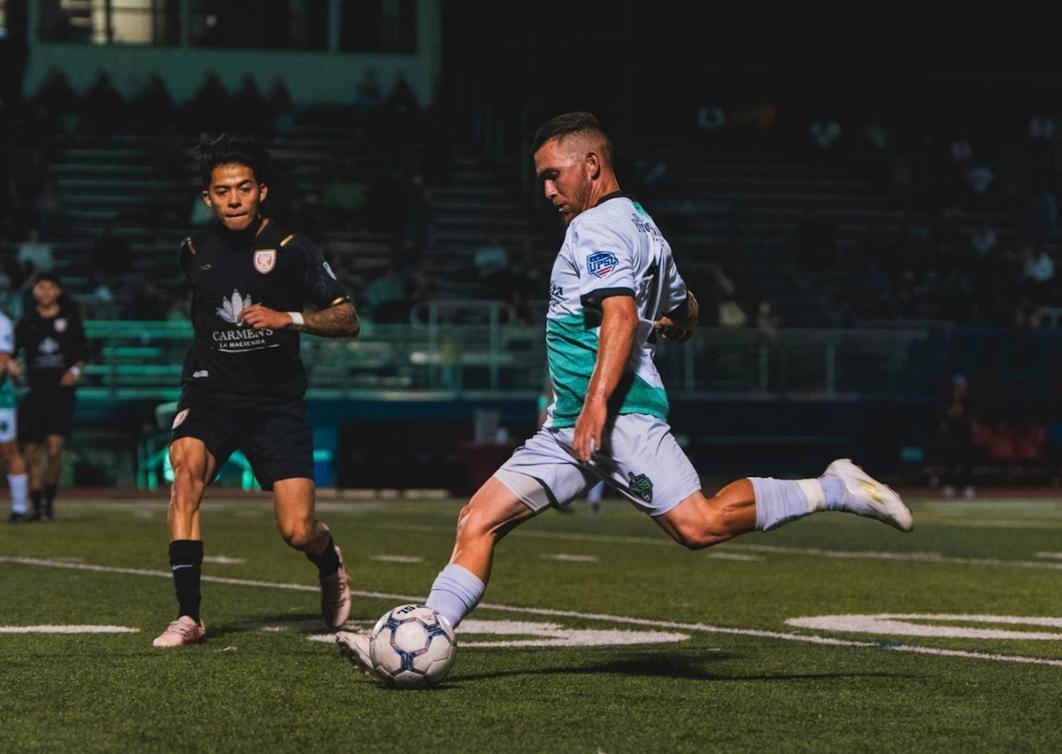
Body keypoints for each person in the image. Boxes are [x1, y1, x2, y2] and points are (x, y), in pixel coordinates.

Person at [336, 112, 913, 675]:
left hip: (616, 415)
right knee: (478, 520)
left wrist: (597, 404)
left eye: (552, 174)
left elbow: (616, 314)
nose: (545, 190)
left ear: (590, 164)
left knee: (700, 525)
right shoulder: (642, 224)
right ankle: (420, 634)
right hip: (570, 425)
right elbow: (686, 309)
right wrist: (663, 328)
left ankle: (836, 487)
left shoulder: (596, 228)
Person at [153, 134, 361, 648]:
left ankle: (327, 557)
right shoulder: (192, 251)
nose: (234, 198)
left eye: (244, 188)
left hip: (276, 404)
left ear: (261, 191)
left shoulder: (292, 249)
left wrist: (287, 318)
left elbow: (348, 318)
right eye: (222, 191)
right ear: (208, 198)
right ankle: (189, 616)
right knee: (185, 480)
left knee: (297, 529)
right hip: (210, 394)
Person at [14, 272, 87, 522]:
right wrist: (15, 370)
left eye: (50, 287)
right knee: (32, 451)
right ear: (35, 291)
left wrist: (74, 371)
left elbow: (83, 354)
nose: (45, 292)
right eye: (41, 288)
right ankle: (36, 505)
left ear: (57, 291)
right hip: (34, 393)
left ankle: (49, 501)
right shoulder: (27, 321)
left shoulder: (70, 319)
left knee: (55, 451)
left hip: (61, 394)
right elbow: (11, 351)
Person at [1, 308, 30, 523]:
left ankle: (19, 507)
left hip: (1, 399)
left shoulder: (1, 322)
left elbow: (2, 362)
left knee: (8, 449)